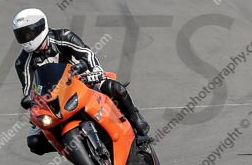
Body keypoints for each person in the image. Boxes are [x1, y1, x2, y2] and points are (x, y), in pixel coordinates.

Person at [13, 8, 150, 156]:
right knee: (34, 142)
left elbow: (87, 54)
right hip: (53, 98)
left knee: (113, 87)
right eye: (21, 35)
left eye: (28, 33)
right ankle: (76, 148)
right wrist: (30, 104)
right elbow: (28, 90)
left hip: (82, 79)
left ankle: (137, 122)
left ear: (40, 27)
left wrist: (96, 73)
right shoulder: (22, 62)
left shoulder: (63, 36)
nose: (26, 38)